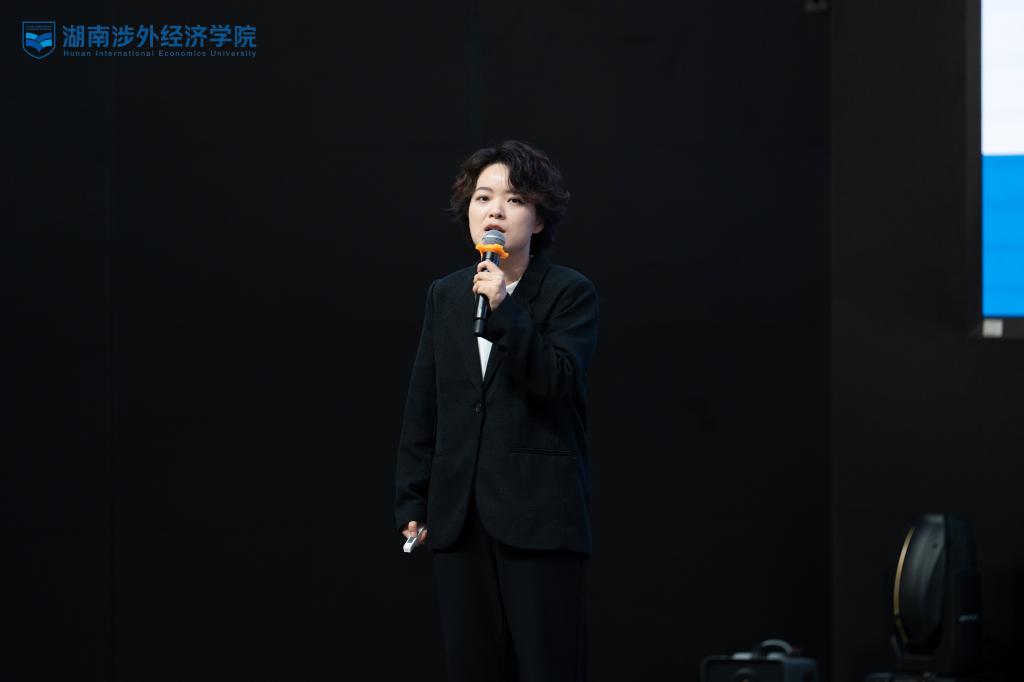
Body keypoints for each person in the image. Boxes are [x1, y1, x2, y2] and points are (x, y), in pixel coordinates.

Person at [394, 140, 599, 681]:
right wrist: (413, 497)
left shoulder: (569, 293)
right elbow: (425, 400)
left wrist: (505, 308)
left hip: (539, 516)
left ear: (538, 219)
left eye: (514, 200)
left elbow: (557, 382)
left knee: (548, 667)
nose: (495, 211)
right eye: (483, 198)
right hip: (459, 516)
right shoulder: (446, 295)